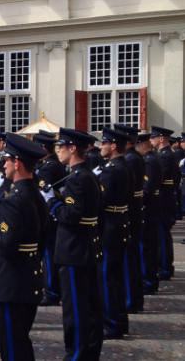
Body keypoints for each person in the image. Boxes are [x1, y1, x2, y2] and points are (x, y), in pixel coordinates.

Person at [0, 133, 48, 361]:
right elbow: (44, 239)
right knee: (21, 341)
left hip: (10, 282)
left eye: (7, 160)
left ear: (17, 163)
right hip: (29, 276)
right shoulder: (37, 196)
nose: (5, 164)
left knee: (12, 346)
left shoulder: (14, 200)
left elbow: (6, 246)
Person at [45, 128, 103, 361]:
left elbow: (72, 215)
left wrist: (51, 203)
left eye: (61, 146)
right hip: (86, 246)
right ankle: (88, 353)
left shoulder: (78, 178)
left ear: (72, 148)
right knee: (89, 306)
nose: (58, 150)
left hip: (74, 251)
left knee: (76, 310)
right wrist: (58, 196)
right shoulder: (84, 175)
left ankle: (77, 355)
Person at [97, 127, 133, 339]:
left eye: (104, 143)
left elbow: (101, 201)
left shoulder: (112, 170)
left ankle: (112, 323)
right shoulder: (124, 166)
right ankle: (120, 319)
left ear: (113, 146)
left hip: (110, 226)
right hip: (120, 223)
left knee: (108, 277)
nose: (101, 146)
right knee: (116, 276)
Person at [113, 123, 145, 314]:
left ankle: (132, 300)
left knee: (128, 260)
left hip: (129, 212)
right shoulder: (133, 158)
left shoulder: (130, 159)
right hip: (132, 210)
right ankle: (133, 298)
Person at [33, 130, 67, 306]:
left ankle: (52, 291)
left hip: (50, 215)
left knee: (48, 255)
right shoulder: (49, 164)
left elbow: (43, 193)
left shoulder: (50, 166)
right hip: (51, 214)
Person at [149, 125, 179, 280]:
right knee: (161, 234)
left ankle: (166, 267)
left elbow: (159, 177)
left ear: (161, 139)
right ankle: (164, 265)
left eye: (153, 137)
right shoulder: (165, 155)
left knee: (162, 235)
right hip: (165, 195)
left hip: (163, 197)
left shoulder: (165, 156)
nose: (151, 140)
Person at [135, 133, 163, 294]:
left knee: (146, 247)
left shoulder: (149, 161)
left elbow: (147, 189)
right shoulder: (149, 159)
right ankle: (149, 279)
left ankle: (149, 280)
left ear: (143, 146)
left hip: (149, 209)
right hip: (150, 209)